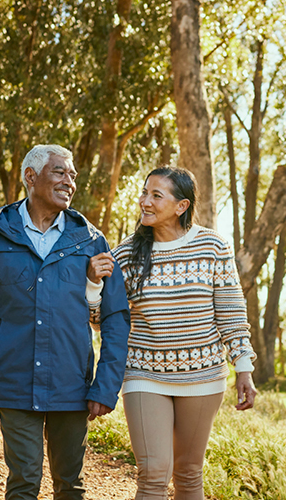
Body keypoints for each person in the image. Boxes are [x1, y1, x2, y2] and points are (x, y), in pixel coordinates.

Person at [0, 144, 130, 500]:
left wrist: (105, 385)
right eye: (59, 172)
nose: (69, 181)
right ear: (31, 177)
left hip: (70, 383)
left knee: (70, 485)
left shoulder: (89, 240)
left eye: (72, 175)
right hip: (13, 378)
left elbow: (115, 317)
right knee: (24, 480)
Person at [93, 166, 257, 500]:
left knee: (188, 473)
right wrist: (93, 283)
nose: (145, 202)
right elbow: (100, 319)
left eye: (156, 195)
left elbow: (231, 313)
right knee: (153, 473)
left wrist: (244, 367)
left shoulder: (213, 247)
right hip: (144, 373)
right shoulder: (124, 254)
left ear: (181, 206)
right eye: (144, 193)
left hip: (202, 375)